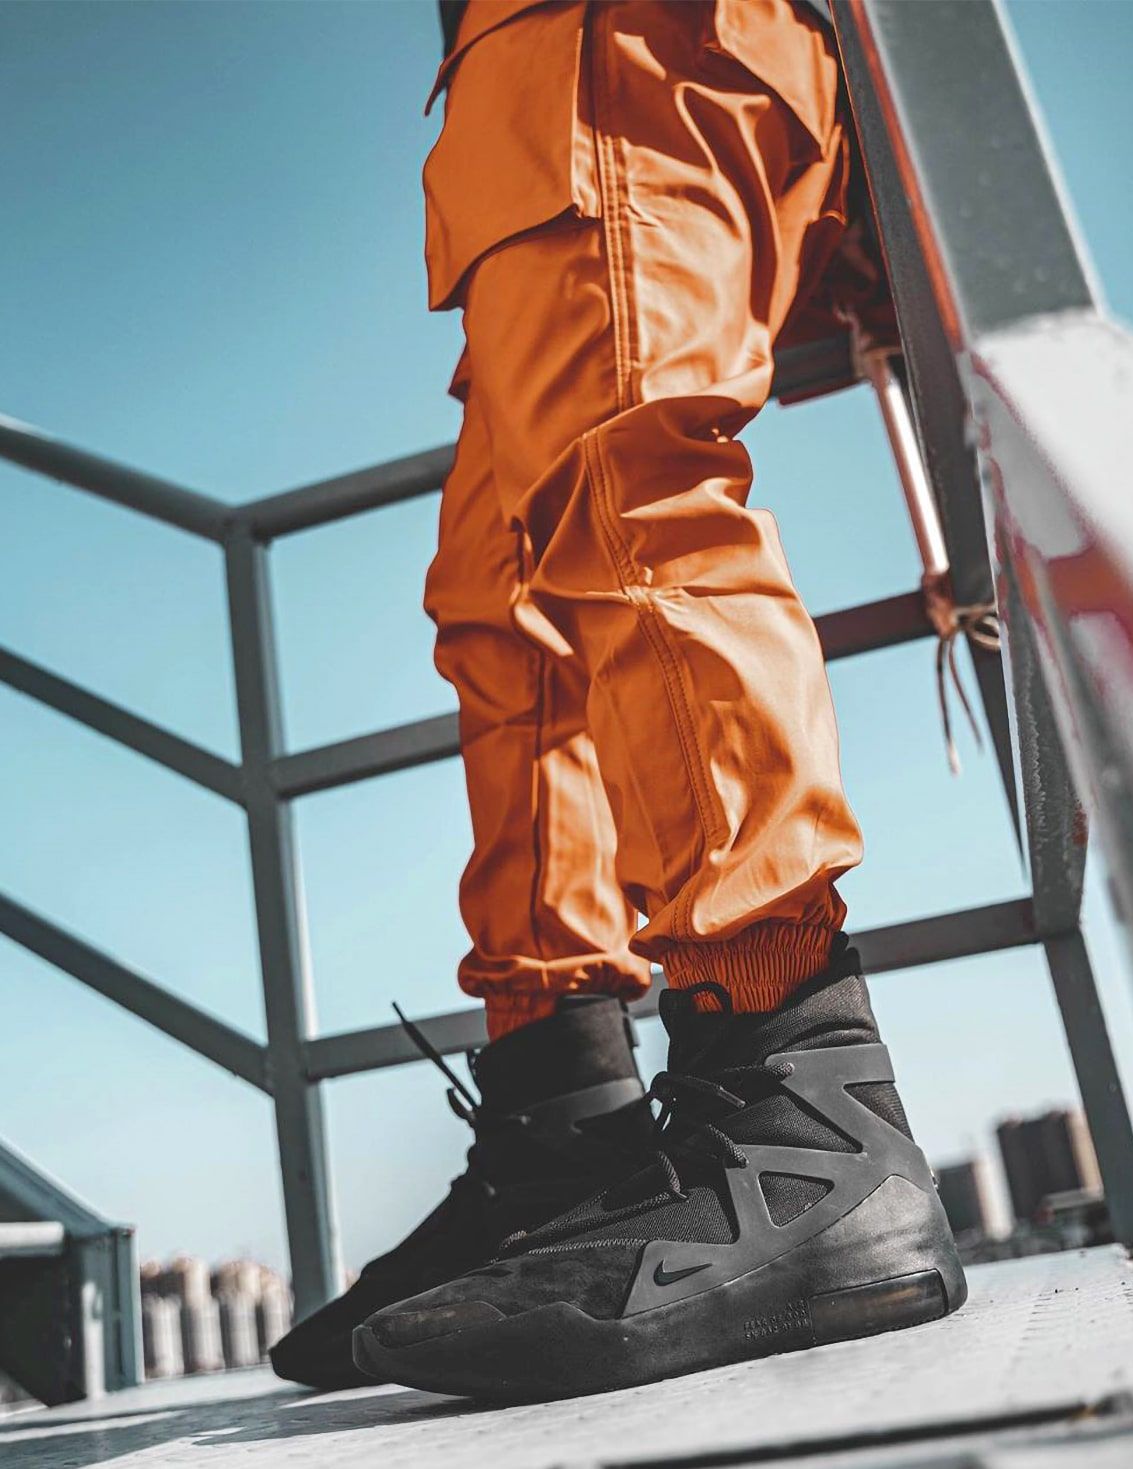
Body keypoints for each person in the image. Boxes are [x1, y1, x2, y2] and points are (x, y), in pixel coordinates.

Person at [271, 0, 964, 1400]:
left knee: (622, 478)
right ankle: (565, 1122)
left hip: (621, 35)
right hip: (534, 75)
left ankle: (805, 1106)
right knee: (505, 604)